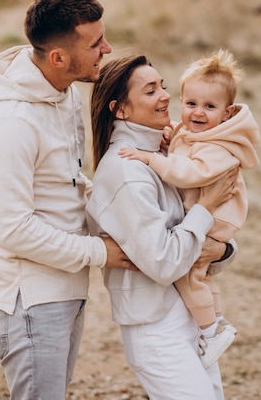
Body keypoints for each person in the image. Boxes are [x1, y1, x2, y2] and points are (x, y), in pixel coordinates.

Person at [0, 0, 136, 400]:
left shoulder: (62, 95)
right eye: (95, 43)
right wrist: (100, 252)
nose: (108, 48)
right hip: (31, 298)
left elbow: (71, 181)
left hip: (66, 283)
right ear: (58, 57)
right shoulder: (11, 125)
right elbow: (13, 229)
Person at [85, 54, 240, 400]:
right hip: (155, 326)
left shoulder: (169, 157)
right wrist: (206, 205)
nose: (166, 96)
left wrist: (225, 248)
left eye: (164, 86)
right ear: (121, 110)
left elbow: (205, 247)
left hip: (187, 313)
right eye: (151, 90)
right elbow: (165, 262)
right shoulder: (128, 171)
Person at [118, 49, 260, 369]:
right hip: (208, 214)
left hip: (218, 218)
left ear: (227, 113)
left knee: (187, 272)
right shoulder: (196, 131)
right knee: (203, 276)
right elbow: (183, 141)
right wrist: (170, 135)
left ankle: (209, 331)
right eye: (191, 103)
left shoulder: (221, 146)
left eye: (210, 107)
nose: (197, 113)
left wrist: (151, 158)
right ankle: (216, 323)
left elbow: (190, 173)